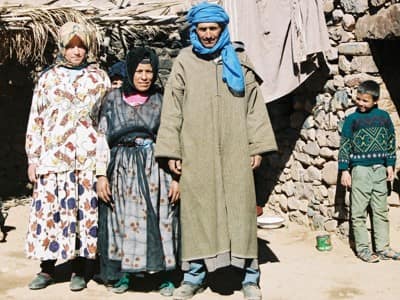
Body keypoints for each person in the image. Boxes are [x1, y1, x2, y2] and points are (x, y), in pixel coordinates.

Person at [155, 3, 277, 300]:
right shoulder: (185, 61)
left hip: (236, 150)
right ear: (194, 30)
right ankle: (194, 275)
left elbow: (254, 108)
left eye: (213, 29)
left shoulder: (239, 59)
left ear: (223, 29)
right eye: (203, 29)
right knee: (197, 213)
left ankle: (250, 277)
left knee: (241, 212)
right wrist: (173, 150)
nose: (208, 35)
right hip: (196, 151)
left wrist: (257, 145)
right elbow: (172, 110)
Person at [25, 22, 111, 291]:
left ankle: (79, 269)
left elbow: (105, 122)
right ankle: (47, 268)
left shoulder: (99, 79)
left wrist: (102, 163)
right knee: (51, 213)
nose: (76, 51)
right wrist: (33, 157)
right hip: (53, 158)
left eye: (81, 46)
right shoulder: (48, 79)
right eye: (71, 46)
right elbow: (36, 119)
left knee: (82, 215)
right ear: (62, 48)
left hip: (86, 157)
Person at [96, 47, 180, 296]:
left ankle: (164, 275)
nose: (144, 77)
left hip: (156, 168)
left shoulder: (162, 100)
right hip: (121, 168)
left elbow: (174, 137)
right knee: (124, 219)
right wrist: (101, 175)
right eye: (139, 71)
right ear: (130, 71)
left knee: (162, 218)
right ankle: (125, 275)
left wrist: (176, 178)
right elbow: (101, 139)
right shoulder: (111, 99)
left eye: (149, 71)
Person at [339, 80, 400, 263]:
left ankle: (383, 248)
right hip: (360, 170)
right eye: (358, 99)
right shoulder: (352, 119)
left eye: (365, 101)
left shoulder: (383, 117)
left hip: (379, 170)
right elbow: (345, 146)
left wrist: (390, 164)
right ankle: (363, 249)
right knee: (358, 211)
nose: (360, 103)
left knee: (380, 210)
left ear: (375, 100)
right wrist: (344, 170)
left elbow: (391, 140)